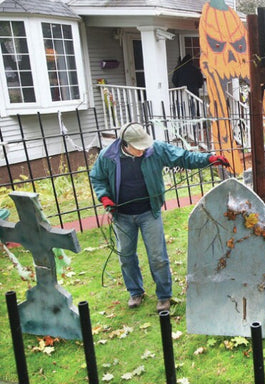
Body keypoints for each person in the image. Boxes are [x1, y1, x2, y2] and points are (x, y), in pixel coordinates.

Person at [90, 122, 229, 313]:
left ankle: (163, 296)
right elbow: (97, 177)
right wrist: (105, 197)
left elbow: (184, 157)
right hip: (121, 215)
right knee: (126, 256)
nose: (142, 150)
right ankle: (135, 292)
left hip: (149, 212)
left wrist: (210, 158)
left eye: (143, 146)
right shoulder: (107, 156)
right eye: (137, 147)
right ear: (125, 144)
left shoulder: (156, 150)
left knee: (158, 257)